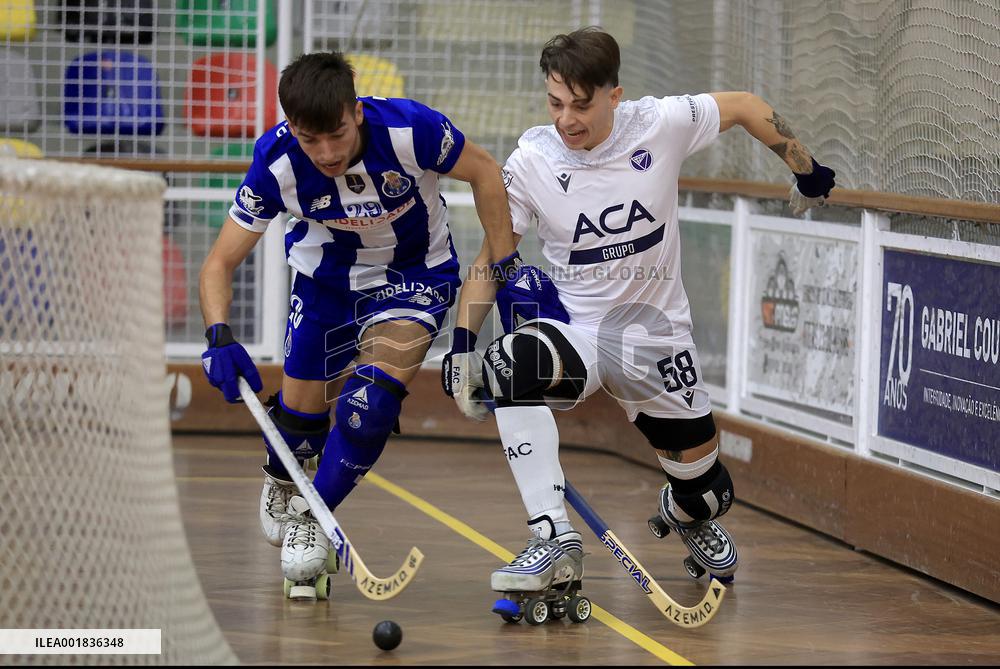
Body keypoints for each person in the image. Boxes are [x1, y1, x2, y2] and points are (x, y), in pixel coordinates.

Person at [441, 27, 835, 610]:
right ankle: (551, 535)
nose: (566, 120)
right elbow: (489, 260)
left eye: (581, 104)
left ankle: (684, 513)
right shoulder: (532, 163)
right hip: (581, 330)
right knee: (513, 364)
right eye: (555, 103)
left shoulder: (660, 124)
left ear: (614, 95)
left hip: (657, 336)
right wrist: (460, 349)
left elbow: (748, 108)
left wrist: (806, 169)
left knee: (708, 493)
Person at [200, 51, 515, 600]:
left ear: (356, 113)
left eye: (337, 134)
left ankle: (314, 517)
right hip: (325, 284)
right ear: (290, 126)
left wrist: (503, 258)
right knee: (299, 425)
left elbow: (485, 171)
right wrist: (218, 336)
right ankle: (283, 474)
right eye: (308, 138)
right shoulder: (275, 162)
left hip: (414, 277)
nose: (326, 152)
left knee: (368, 406)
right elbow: (219, 263)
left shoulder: (410, 129)